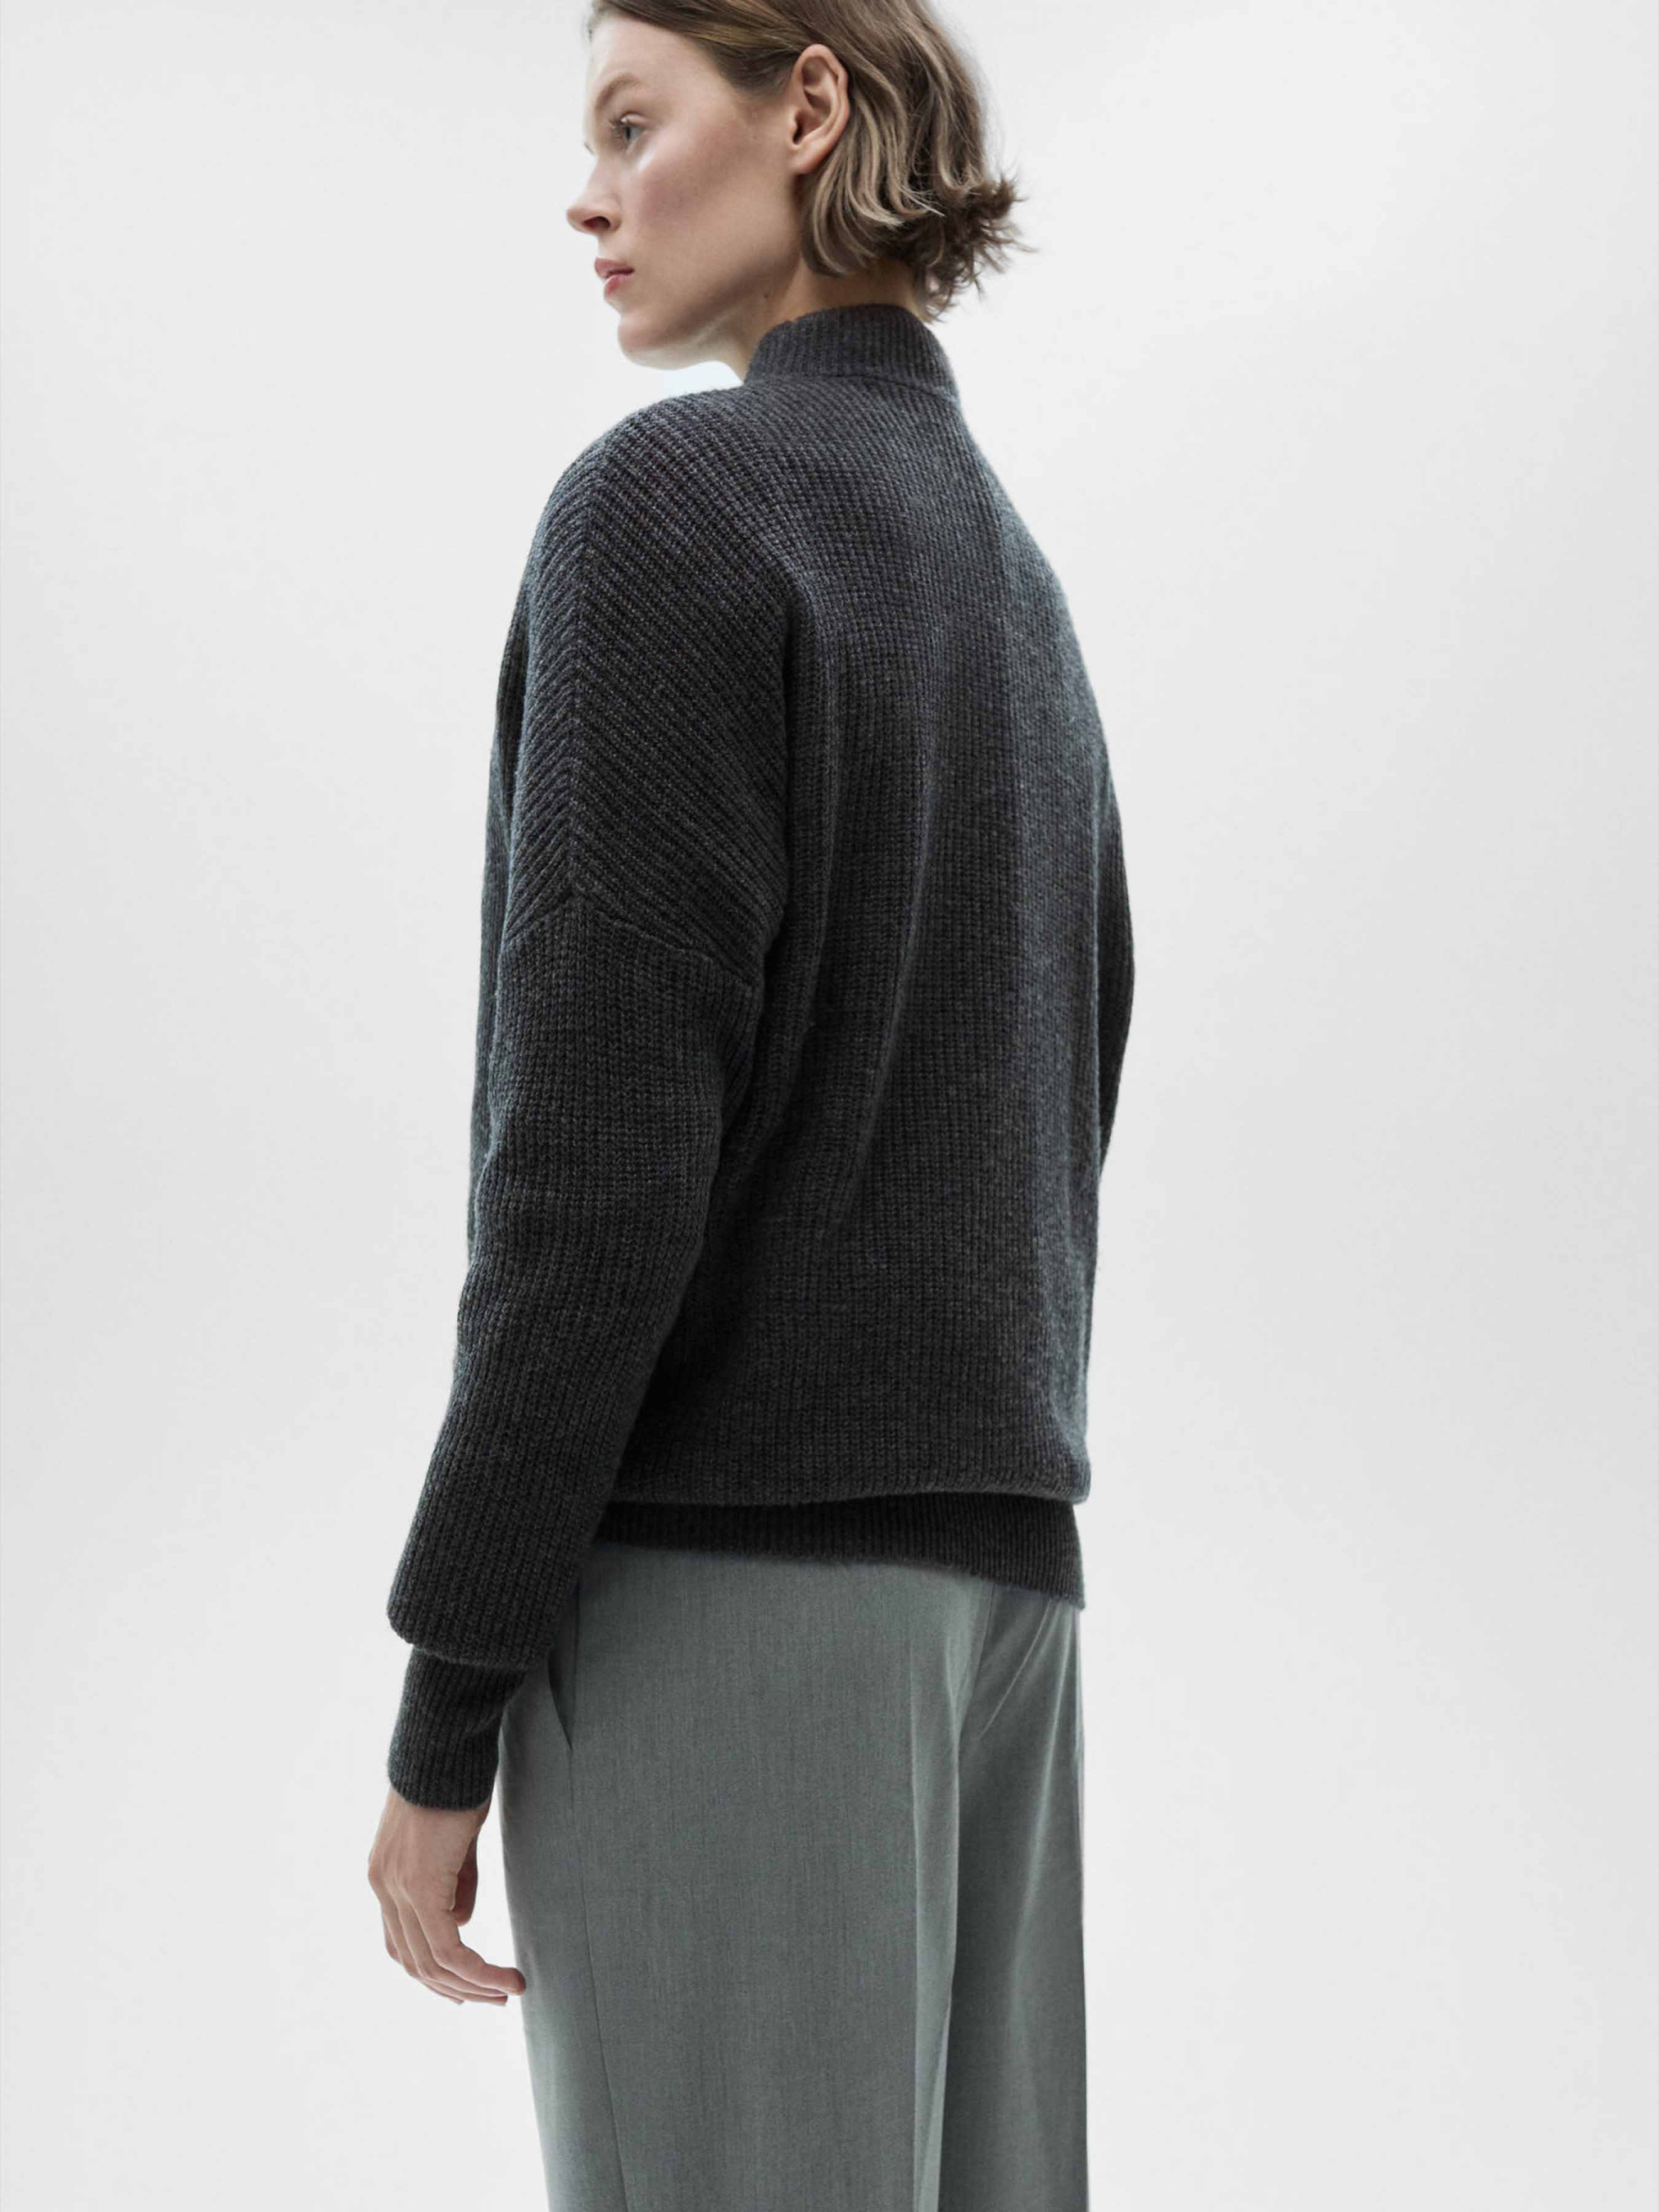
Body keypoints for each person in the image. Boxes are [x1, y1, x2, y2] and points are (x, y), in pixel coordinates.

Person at [367, 0, 1135, 2203]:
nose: (589, 193)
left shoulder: (675, 508)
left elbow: (592, 1178)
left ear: (808, 108)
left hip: (734, 1602)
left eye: (635, 122)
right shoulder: (1014, 586)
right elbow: (1068, 1085)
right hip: (1005, 1610)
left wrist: (447, 1696)